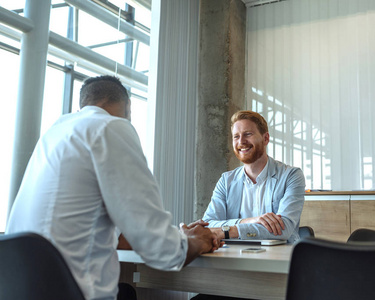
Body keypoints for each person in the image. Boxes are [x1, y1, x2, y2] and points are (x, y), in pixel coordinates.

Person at [6, 75, 219, 300]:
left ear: (84, 103)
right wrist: (198, 241)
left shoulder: (53, 136)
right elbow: (161, 250)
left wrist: (178, 234)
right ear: (127, 107)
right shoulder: (111, 126)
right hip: (73, 291)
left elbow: (118, 236)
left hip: (22, 288)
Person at [202, 110, 305, 243]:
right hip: (232, 255)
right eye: (236, 136)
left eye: (248, 134)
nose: (241, 142)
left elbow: (283, 229)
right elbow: (208, 224)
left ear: (265, 138)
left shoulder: (291, 176)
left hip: (279, 258)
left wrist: (230, 230)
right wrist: (250, 221)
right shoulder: (226, 180)